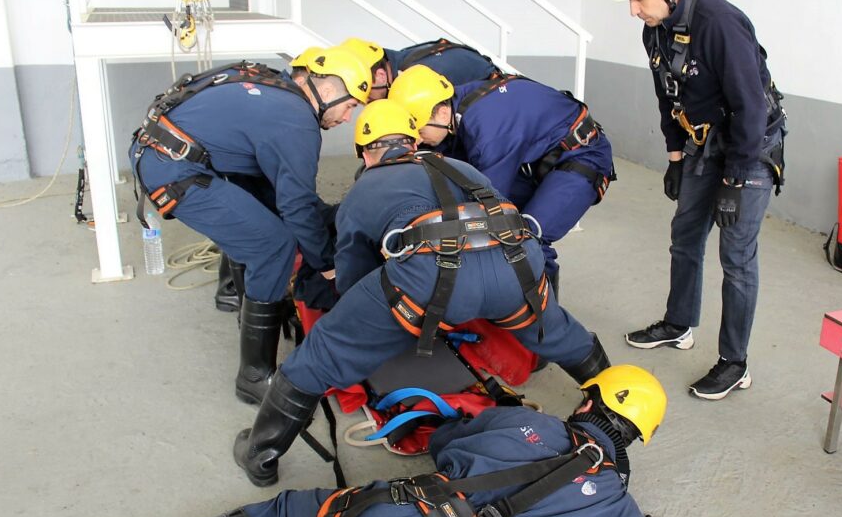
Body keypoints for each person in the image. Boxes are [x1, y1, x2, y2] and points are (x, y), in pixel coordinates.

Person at [233, 100, 611, 487]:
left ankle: (260, 455)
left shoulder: (366, 188)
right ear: (413, 141)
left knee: (318, 357)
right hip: (518, 263)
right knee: (564, 336)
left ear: (364, 151)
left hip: (430, 278)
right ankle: (616, 405)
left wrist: (372, 318)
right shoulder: (461, 167)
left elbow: (351, 280)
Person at [92, 365, 672, 517]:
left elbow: (447, 447)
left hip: (384, 514)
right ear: (638, 440)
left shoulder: (534, 426)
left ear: (588, 401)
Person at [131, 47, 372, 405]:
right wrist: (327, 266)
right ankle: (254, 376)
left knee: (263, 214)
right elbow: (297, 206)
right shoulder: (295, 121)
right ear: (328, 90)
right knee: (272, 246)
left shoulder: (276, 89)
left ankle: (234, 294)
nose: (348, 117)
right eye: (351, 105)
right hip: (174, 170)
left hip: (166, 150)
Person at [613, 0, 786, 400]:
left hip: (749, 146)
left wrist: (734, 180)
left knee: (736, 255)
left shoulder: (719, 22)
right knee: (685, 235)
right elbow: (666, 96)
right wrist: (674, 157)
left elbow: (750, 107)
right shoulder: (656, 27)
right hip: (702, 145)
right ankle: (679, 323)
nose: (634, 10)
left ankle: (735, 363)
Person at [388, 65, 616, 291]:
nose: (417, 140)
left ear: (442, 113)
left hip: (584, 157)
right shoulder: (454, 102)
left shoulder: (488, 132)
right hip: (541, 159)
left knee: (526, 236)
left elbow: (485, 206)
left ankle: (546, 322)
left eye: (419, 130)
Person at [339, 36, 502, 100]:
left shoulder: (422, 76)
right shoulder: (402, 59)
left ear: (381, 76)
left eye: (368, 98)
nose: (368, 102)